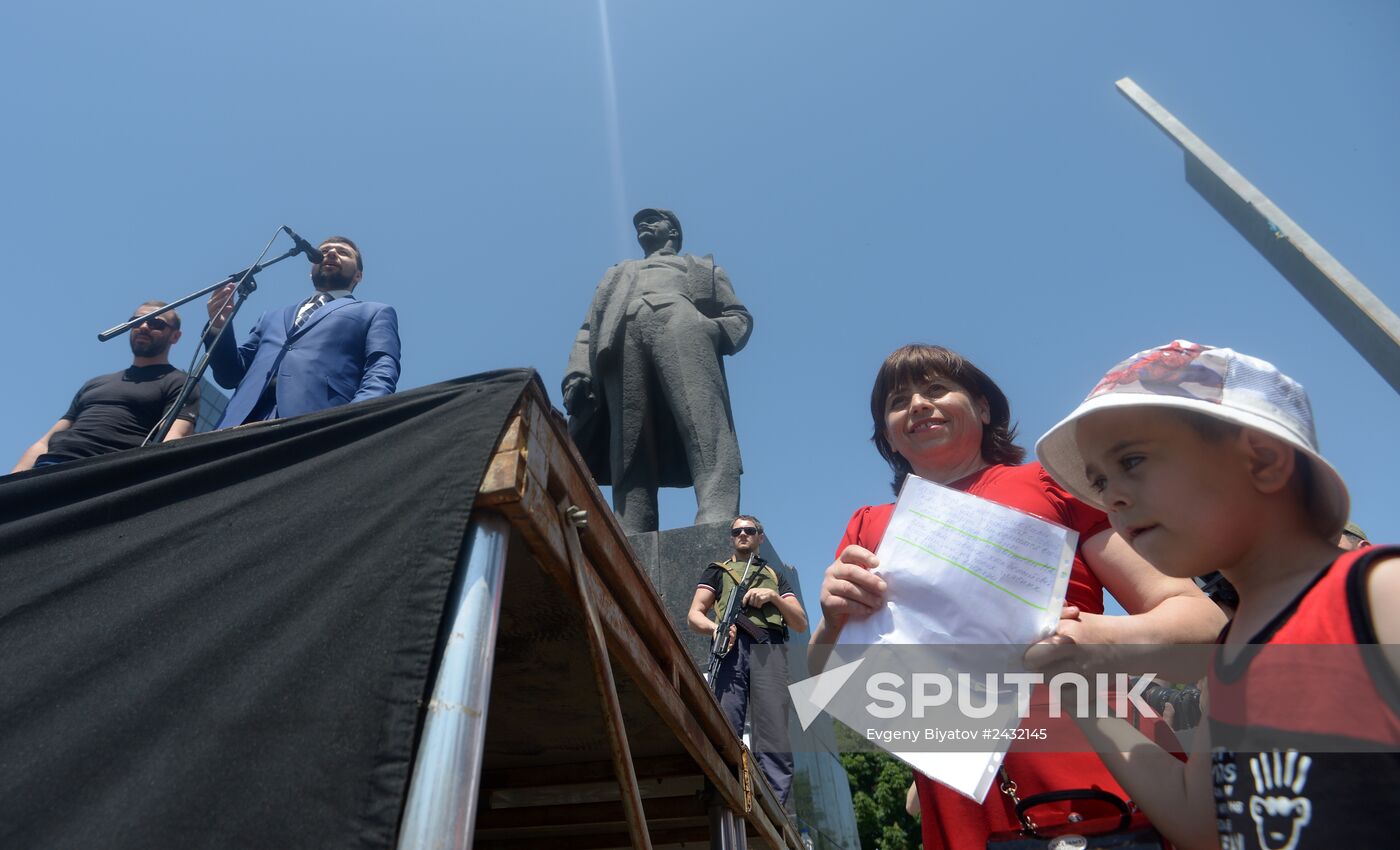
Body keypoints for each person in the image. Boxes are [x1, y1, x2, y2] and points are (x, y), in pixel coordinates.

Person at [810, 343, 1225, 849]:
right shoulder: (867, 526)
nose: (917, 404)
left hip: (1101, 758)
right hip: (959, 791)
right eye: (898, 402)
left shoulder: (1054, 483)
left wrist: (1094, 638)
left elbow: (1200, 621)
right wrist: (832, 621)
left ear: (984, 408)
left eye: (937, 389)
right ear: (888, 436)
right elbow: (830, 678)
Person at [1035, 339, 1400, 849]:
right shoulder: (1232, 650)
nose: (1111, 497)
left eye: (1132, 460)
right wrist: (1076, 694)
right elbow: (1199, 819)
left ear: (1263, 460)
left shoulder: (1378, 592)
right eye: (1099, 483)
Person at [563, 208, 752, 534]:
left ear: (673, 232)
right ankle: (631, 531)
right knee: (628, 442)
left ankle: (716, 516)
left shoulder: (702, 268)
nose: (644, 225)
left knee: (704, 423)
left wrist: (709, 328)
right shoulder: (617, 274)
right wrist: (577, 373)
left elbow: (739, 317)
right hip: (622, 340)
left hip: (683, 326)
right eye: (640, 222)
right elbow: (589, 328)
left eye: (653, 220)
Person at [205, 235, 400, 428]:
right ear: (311, 270)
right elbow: (230, 375)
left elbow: (381, 369)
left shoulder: (374, 312)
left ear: (358, 275)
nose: (332, 253)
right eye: (324, 251)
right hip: (238, 424)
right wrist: (219, 328)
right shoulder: (270, 317)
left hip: (316, 425)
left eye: (343, 253)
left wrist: (353, 420)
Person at [688, 515, 807, 805]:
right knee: (726, 721)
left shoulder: (775, 576)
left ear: (759, 537)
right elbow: (694, 615)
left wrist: (773, 597)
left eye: (749, 530)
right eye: (737, 531)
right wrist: (715, 628)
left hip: (769, 649)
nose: (742, 534)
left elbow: (800, 622)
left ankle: (775, 806)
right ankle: (723, 791)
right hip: (731, 649)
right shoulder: (717, 571)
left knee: (773, 728)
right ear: (732, 538)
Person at [12, 301, 199, 472]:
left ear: (175, 336)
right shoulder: (95, 383)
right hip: (49, 467)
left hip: (108, 473)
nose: (143, 326)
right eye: (136, 321)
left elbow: (174, 437)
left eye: (155, 323)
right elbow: (44, 442)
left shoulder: (179, 382)